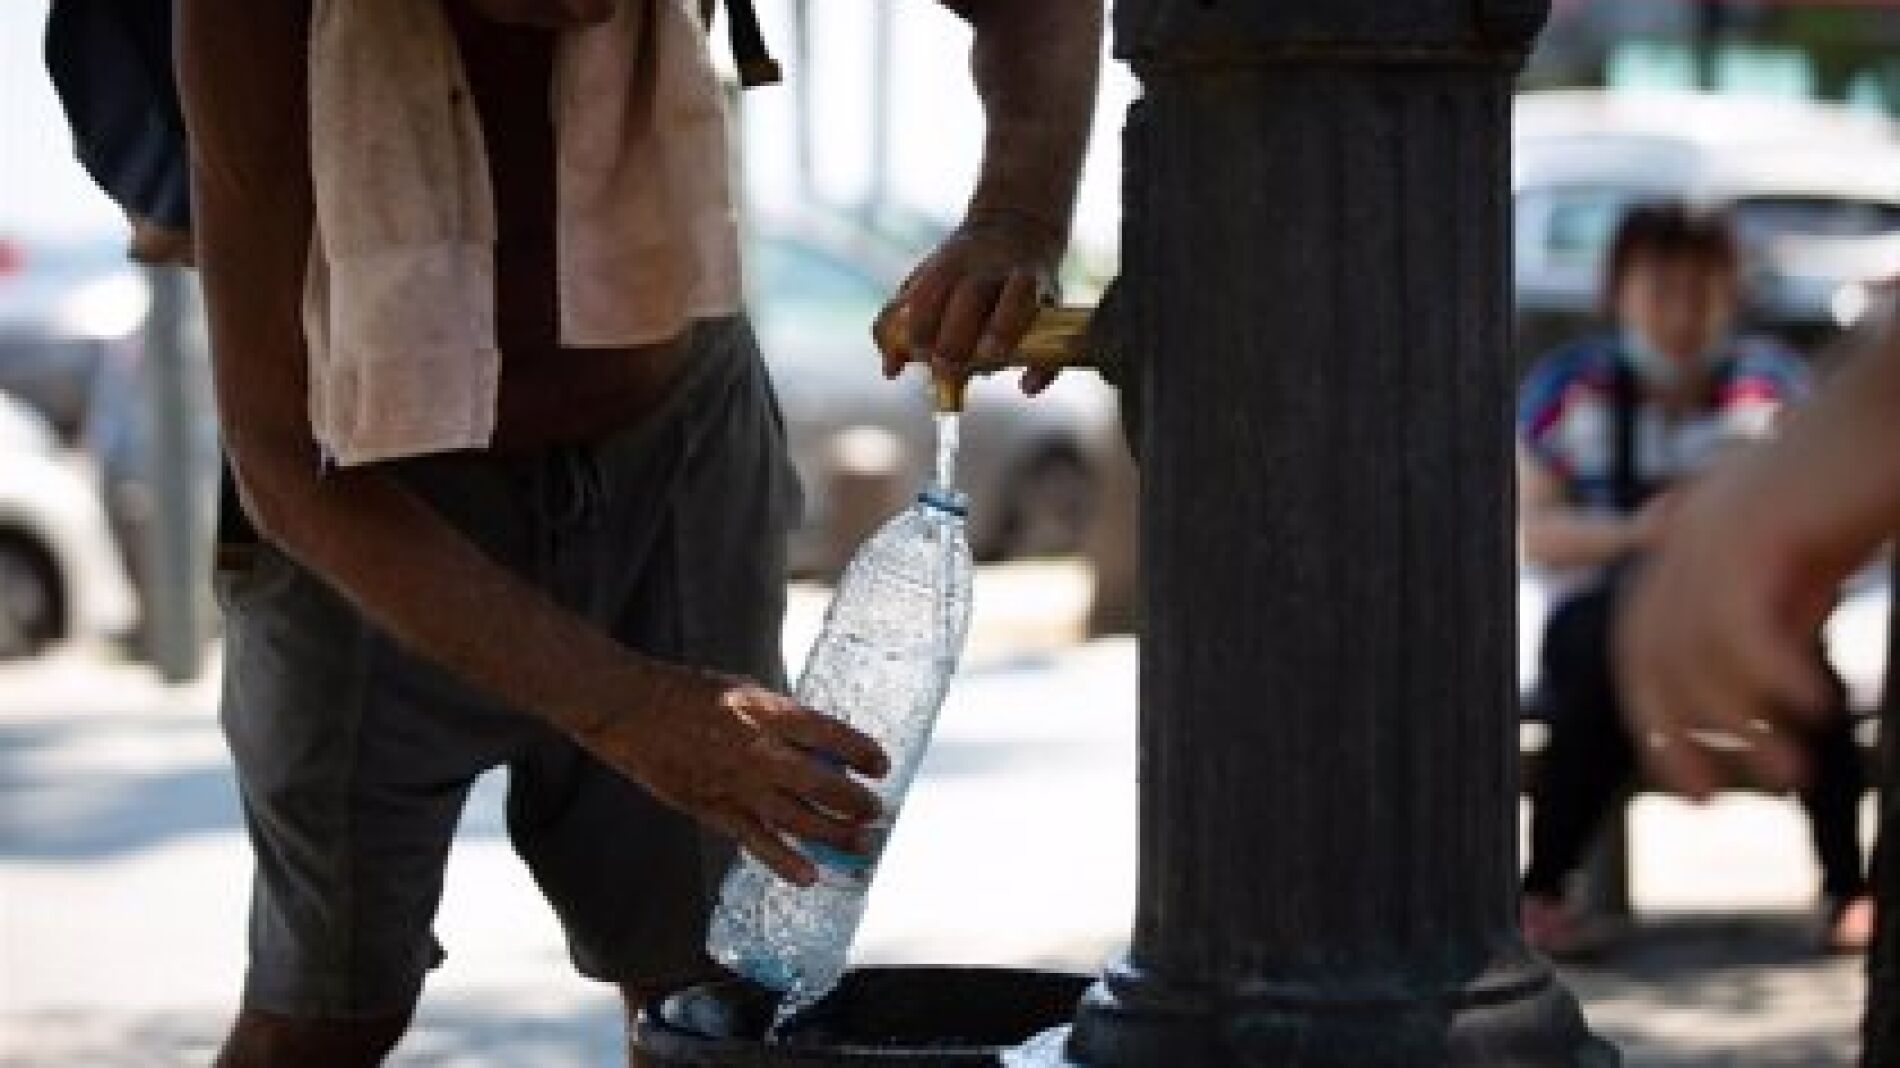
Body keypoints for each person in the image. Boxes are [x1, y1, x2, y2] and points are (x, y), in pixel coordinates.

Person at [174, 1, 1102, 1064]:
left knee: (708, 992)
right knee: (325, 1012)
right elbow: (279, 464)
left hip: (672, 439)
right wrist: (627, 707)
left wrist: (1016, 219)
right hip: (368, 484)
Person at [1514, 201, 1871, 956]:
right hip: (1598, 620)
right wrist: (1638, 536)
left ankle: (1849, 887)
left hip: (1746, 620)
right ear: (1618, 292)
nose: (1681, 315)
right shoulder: (1568, 388)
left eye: (1700, 291)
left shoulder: (1770, 387)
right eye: (1662, 291)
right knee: (1601, 670)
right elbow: (1533, 530)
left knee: (1812, 686)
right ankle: (1543, 890)